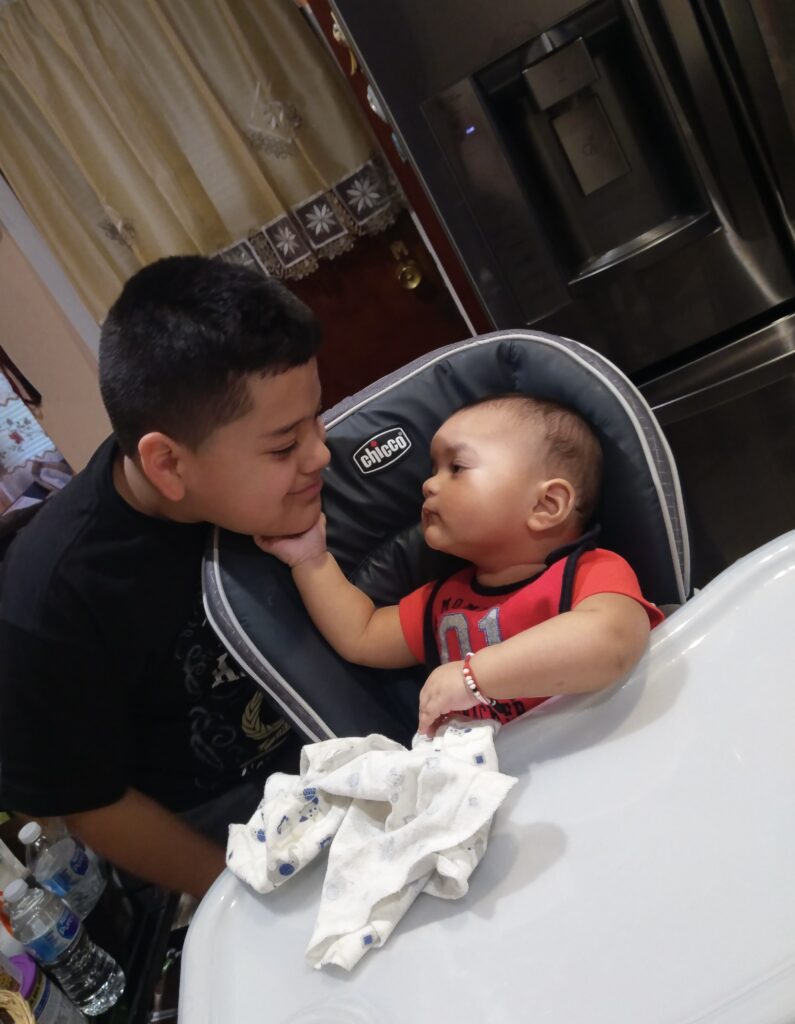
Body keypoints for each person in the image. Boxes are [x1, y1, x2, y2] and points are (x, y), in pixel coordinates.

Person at [0, 256, 330, 898]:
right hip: (229, 829)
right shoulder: (52, 601)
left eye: (315, 419)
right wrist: (243, 900)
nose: (321, 452)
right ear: (167, 464)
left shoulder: (288, 487)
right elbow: (92, 801)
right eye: (285, 445)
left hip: (342, 742)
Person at [259, 394, 663, 736]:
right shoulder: (442, 603)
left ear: (546, 505)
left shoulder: (588, 573)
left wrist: (475, 678)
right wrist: (312, 560)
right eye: (433, 469)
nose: (429, 484)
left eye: (457, 468)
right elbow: (360, 635)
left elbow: (611, 642)